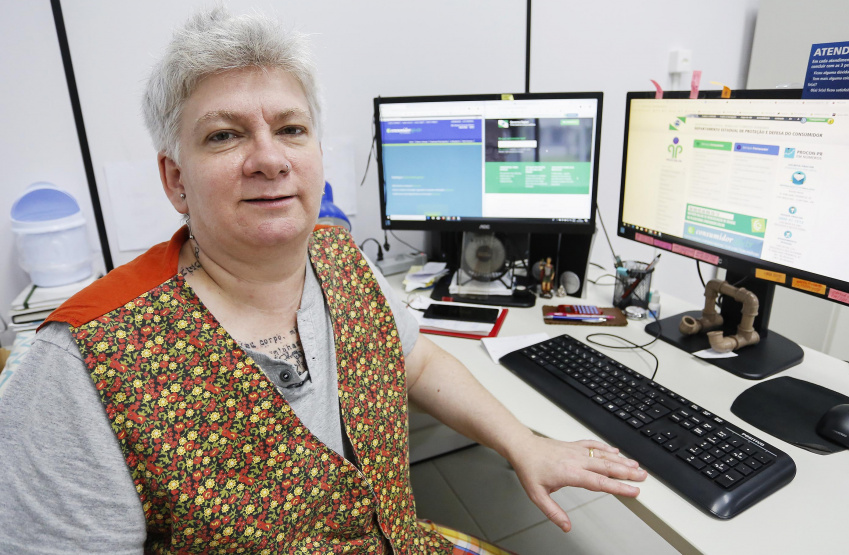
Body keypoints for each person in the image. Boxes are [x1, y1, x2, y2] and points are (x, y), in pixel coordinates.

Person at [0, 7, 646, 554]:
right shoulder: (82, 363)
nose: (269, 159)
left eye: (290, 129)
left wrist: (523, 444)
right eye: (224, 136)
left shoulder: (339, 258)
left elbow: (416, 362)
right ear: (175, 180)